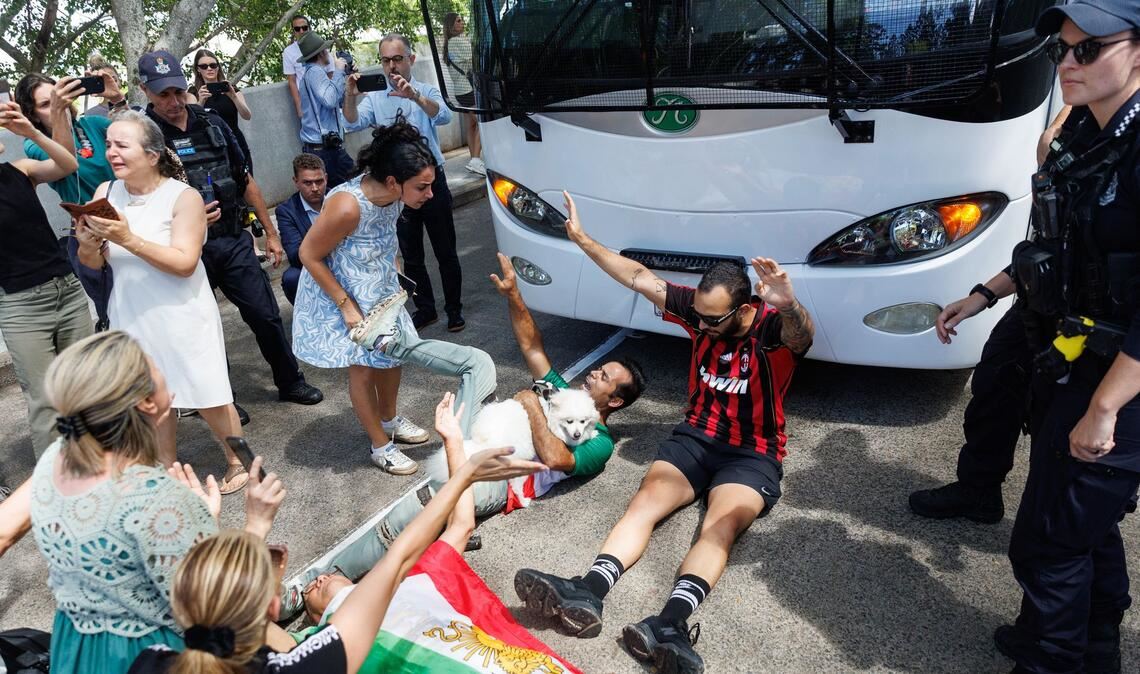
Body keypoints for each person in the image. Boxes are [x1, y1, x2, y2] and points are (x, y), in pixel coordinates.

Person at [513, 193, 814, 673]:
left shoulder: (772, 330)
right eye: (700, 315)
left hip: (752, 453)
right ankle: (588, 589)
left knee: (721, 526)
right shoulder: (701, 313)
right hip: (695, 436)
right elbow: (637, 276)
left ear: (744, 308)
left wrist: (791, 304)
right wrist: (582, 240)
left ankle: (669, 624)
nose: (704, 326)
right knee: (645, 502)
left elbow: (803, 338)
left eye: (715, 319)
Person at [277, 252, 646, 617]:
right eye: (598, 370)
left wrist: (533, 405)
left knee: (427, 500)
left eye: (604, 378)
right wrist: (514, 295)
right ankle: (386, 342)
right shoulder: (564, 394)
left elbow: (556, 459)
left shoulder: (600, 442)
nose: (593, 375)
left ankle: (311, 585)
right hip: (484, 434)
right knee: (479, 363)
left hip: (502, 476)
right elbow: (532, 346)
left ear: (613, 402)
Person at [991, 3, 1140, 673]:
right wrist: (984, 294)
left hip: (1124, 382)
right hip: (1077, 356)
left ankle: (1054, 661)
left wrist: (1105, 407)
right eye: (1061, 49)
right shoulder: (1083, 130)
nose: (1067, 64)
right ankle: (1097, 642)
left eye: (1089, 50)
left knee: (1048, 540)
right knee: (1083, 522)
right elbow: (1056, 247)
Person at [127, 438, 541, 673]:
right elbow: (398, 558)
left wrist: (206, 533)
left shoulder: (150, 663)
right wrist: (464, 473)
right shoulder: (304, 664)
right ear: (273, 607)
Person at [27, 330, 285, 674]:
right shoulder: (158, 500)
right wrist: (256, 523)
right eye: (157, 368)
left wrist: (194, 520)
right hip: (148, 657)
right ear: (147, 402)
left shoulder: (56, 458)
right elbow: (218, 608)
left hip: (77, 646)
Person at [137, 50, 322, 418]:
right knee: (203, 331)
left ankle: (290, 381)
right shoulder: (144, 138)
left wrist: (269, 232)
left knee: (265, 315)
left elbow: (244, 179)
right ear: (146, 91)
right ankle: (223, 402)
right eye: (163, 95)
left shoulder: (213, 123)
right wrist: (183, 220)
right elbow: (140, 201)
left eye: (177, 92)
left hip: (232, 238)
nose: (173, 102)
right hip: (185, 250)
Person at [73, 110, 249, 490]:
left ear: (152, 155)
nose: (112, 153)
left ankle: (239, 460)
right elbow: (93, 262)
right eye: (108, 145)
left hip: (182, 311)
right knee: (149, 397)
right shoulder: (104, 193)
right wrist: (87, 245)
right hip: (131, 310)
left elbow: (185, 263)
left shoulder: (182, 197)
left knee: (209, 392)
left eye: (122, 145)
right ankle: (165, 467)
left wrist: (127, 239)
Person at [292, 119, 436, 475]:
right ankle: (379, 445)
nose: (429, 194)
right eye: (422, 187)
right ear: (392, 181)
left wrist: (395, 272)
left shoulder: (395, 195)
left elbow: (384, 237)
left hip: (381, 288)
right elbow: (308, 255)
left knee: (392, 357)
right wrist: (346, 307)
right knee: (364, 370)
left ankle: (389, 419)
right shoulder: (347, 206)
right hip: (345, 294)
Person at [344, 33, 464, 332]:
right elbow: (351, 122)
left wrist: (415, 98)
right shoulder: (374, 98)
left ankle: (454, 309)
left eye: (397, 58)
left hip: (429, 181)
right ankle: (426, 308)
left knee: (445, 249)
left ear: (410, 59)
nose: (392, 66)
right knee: (410, 255)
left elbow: (445, 116)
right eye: (386, 60)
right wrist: (350, 95)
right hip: (397, 188)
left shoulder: (424, 90)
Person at [0, 102, 91, 455]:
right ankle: (56, 493)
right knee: (45, 400)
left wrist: (33, 132)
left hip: (66, 289)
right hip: (21, 306)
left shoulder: (18, 170)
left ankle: (96, 472)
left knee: (84, 387)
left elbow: (68, 165)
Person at [15, 73, 113, 206]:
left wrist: (117, 99)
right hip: (93, 222)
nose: (57, 104)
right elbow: (67, 161)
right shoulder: (34, 144)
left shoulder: (93, 123)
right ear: (33, 116)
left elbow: (138, 137)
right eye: (45, 104)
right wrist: (58, 112)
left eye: (57, 98)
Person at [295, 30, 354, 187]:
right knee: (355, 184)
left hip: (322, 147)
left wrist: (346, 80)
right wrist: (339, 70)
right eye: (326, 49)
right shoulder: (315, 72)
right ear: (321, 53)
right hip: (324, 149)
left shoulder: (312, 73)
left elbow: (335, 101)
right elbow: (330, 100)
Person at [186, 49, 253, 171]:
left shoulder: (231, 90)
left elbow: (247, 115)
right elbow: (191, 124)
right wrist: (201, 102)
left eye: (213, 65)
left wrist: (233, 97)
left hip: (235, 141)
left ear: (218, 67)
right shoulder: (193, 93)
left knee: (246, 180)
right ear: (198, 69)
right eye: (204, 66)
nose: (209, 69)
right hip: (210, 145)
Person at [277, 153, 327, 305]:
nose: (315, 188)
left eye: (319, 181)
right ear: (296, 182)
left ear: (326, 177)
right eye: (307, 183)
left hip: (346, 259)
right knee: (291, 278)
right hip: (312, 265)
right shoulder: (286, 211)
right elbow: (295, 255)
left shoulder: (339, 198)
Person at [440, 12, 484, 176]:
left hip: (460, 91)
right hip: (468, 89)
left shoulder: (448, 43)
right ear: (451, 26)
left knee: (470, 126)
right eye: (458, 21)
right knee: (482, 122)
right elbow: (474, 54)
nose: (462, 22)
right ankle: (475, 160)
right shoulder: (457, 41)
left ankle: (474, 159)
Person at [282, 15, 333, 119]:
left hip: (325, 97)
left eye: (304, 28)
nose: (301, 31)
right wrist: (299, 106)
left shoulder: (320, 46)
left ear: (309, 28)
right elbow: (291, 80)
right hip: (307, 101)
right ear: (293, 31)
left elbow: (330, 72)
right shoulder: (288, 52)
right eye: (297, 29)